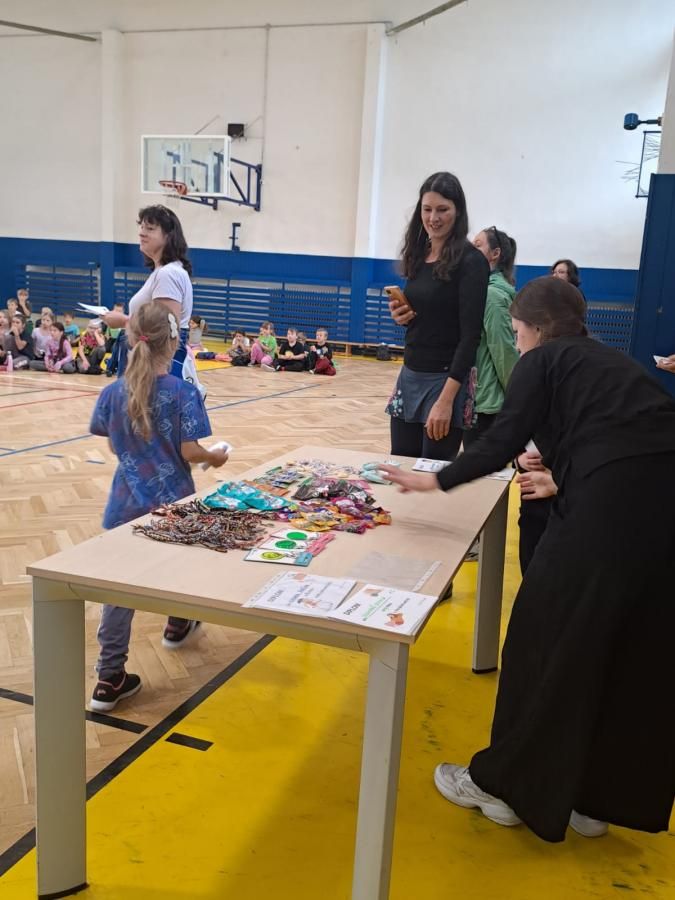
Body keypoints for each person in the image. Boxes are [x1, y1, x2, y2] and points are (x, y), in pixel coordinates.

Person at [381, 276, 675, 843]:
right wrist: (565, 477)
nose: (516, 342)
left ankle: (502, 788)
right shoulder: (609, 362)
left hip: (607, 510)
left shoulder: (542, 360)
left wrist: (435, 479)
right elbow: (629, 445)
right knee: (623, 643)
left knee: (543, 635)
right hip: (660, 512)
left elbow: (500, 440)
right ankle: (592, 796)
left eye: (516, 332)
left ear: (537, 328)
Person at [89, 301, 228, 712]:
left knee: (118, 591)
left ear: (132, 338)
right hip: (173, 506)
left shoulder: (112, 392)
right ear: (175, 343)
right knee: (182, 566)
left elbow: (113, 444)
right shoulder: (183, 393)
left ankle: (109, 676)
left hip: (124, 505)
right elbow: (190, 451)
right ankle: (177, 621)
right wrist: (215, 457)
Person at [385, 172, 489, 461]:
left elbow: (470, 337)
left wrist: (446, 401)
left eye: (443, 209)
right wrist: (402, 315)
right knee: (401, 465)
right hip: (410, 373)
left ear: (458, 211)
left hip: (446, 381)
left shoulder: (471, 261)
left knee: (433, 471)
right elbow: (429, 315)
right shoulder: (419, 255)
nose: (433, 218)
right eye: (427, 209)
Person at [102, 205, 194, 383]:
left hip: (156, 367)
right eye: (142, 227)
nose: (141, 233)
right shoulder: (163, 272)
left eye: (150, 229)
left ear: (168, 236)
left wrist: (123, 321)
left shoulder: (168, 274)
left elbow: (166, 328)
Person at [463, 227, 519, 448]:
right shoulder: (481, 288)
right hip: (478, 396)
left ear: (495, 254)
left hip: (488, 400)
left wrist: (517, 396)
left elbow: (503, 350)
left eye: (477, 245)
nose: (471, 250)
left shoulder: (492, 296)